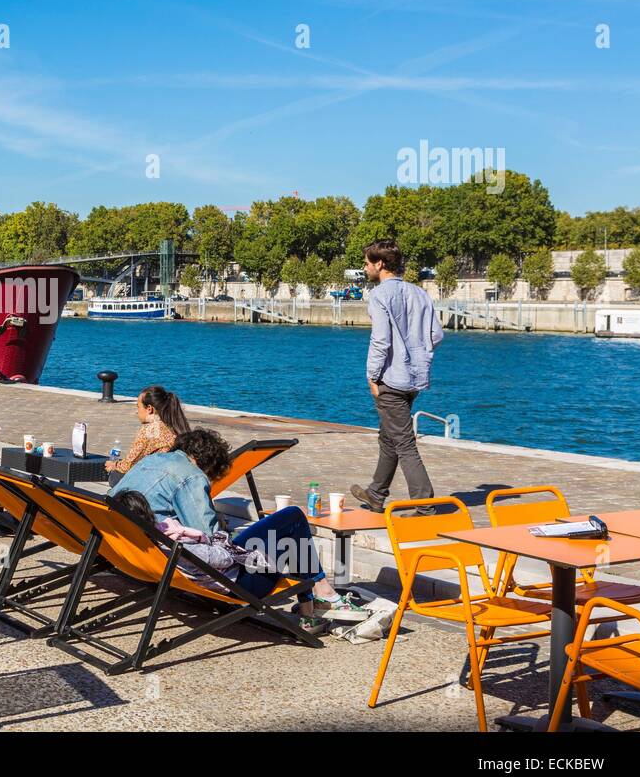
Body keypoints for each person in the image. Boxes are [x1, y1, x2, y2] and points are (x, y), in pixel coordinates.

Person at [115, 489, 369, 633]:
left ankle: (314, 600)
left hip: (223, 571)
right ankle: (315, 601)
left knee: (287, 522)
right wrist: (214, 540)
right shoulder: (174, 544)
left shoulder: (146, 540)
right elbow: (223, 558)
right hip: (244, 581)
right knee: (292, 523)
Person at [350, 238, 444, 516]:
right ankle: (376, 493)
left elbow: (380, 341)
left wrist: (372, 376)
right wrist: (418, 354)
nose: (365, 267)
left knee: (403, 440)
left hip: (390, 379)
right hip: (415, 378)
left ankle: (425, 503)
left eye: (367, 262)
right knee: (389, 435)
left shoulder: (379, 295)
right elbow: (436, 335)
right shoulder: (420, 293)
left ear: (380, 264)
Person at [113, 428, 231, 535]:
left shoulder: (151, 459)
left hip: (111, 528)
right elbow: (206, 531)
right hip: (143, 539)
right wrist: (219, 523)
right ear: (210, 465)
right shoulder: (193, 475)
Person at [106, 385, 191, 474]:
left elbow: (128, 465)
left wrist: (114, 465)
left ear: (149, 409)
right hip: (176, 474)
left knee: (115, 475)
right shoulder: (173, 424)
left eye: (138, 407)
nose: (137, 411)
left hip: (158, 478)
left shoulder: (150, 429)